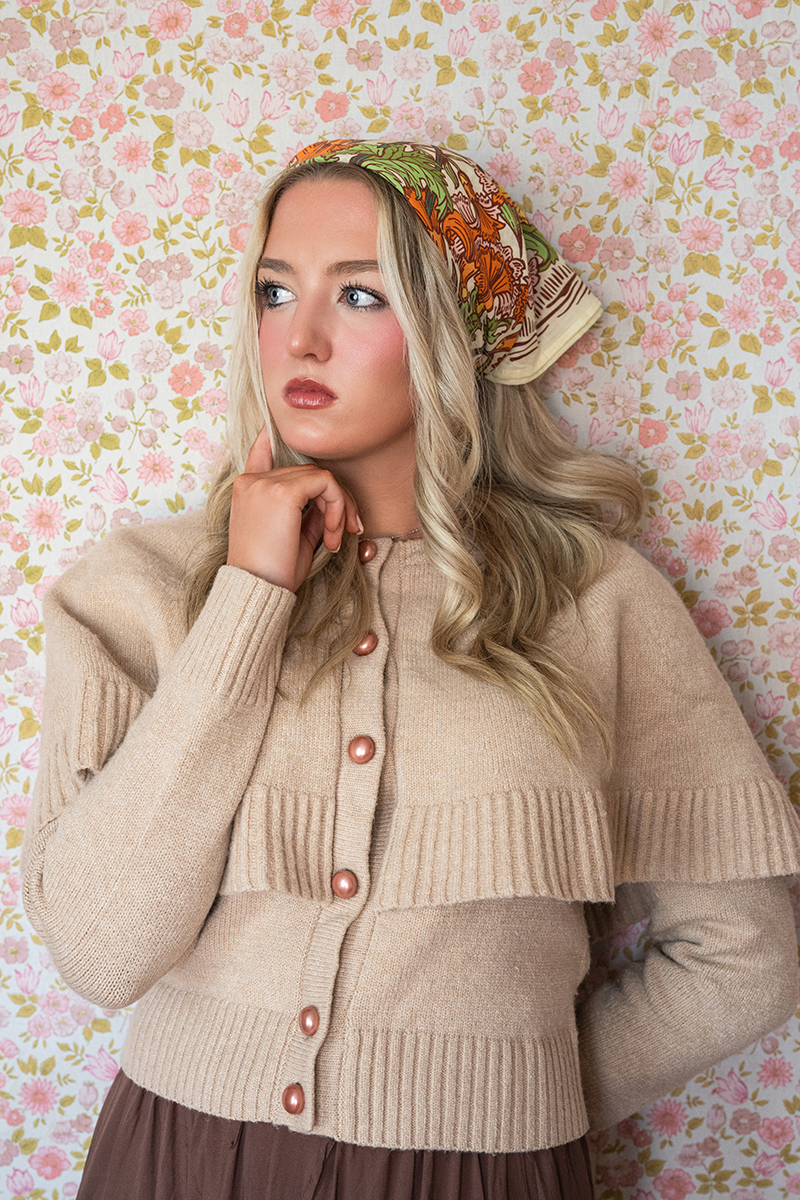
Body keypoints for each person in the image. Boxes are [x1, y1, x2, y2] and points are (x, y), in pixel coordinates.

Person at [22, 141, 800, 1200]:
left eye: (359, 294)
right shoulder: (139, 590)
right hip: (178, 1162)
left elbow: (743, 959)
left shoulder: (599, 602)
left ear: (452, 330)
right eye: (274, 290)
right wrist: (248, 597)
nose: (299, 336)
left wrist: (507, 1099)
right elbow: (98, 951)